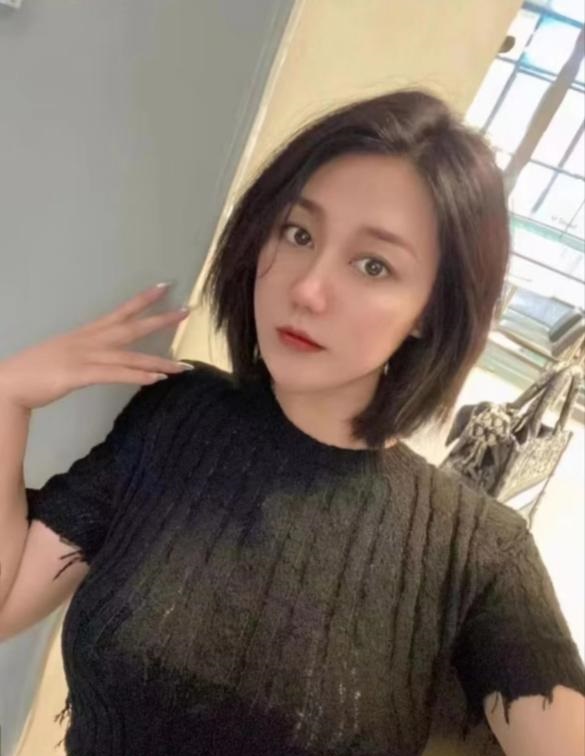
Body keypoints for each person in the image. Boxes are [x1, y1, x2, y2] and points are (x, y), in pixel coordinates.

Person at [0, 89, 583, 756]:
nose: (306, 289)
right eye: (298, 234)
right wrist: (8, 397)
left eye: (373, 265)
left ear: (431, 310)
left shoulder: (474, 551)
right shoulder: (178, 414)